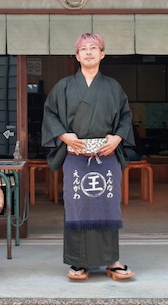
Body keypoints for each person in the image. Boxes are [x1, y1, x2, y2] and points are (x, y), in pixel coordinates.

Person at [41, 33, 136, 281]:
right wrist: (63, 136)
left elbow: (125, 117)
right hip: (76, 156)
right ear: (77, 55)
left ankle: (110, 259)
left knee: (107, 205)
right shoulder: (63, 86)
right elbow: (50, 114)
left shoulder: (113, 87)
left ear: (102, 54)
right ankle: (78, 261)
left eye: (94, 48)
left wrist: (117, 138)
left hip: (106, 156)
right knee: (77, 208)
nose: (89, 52)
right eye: (84, 49)